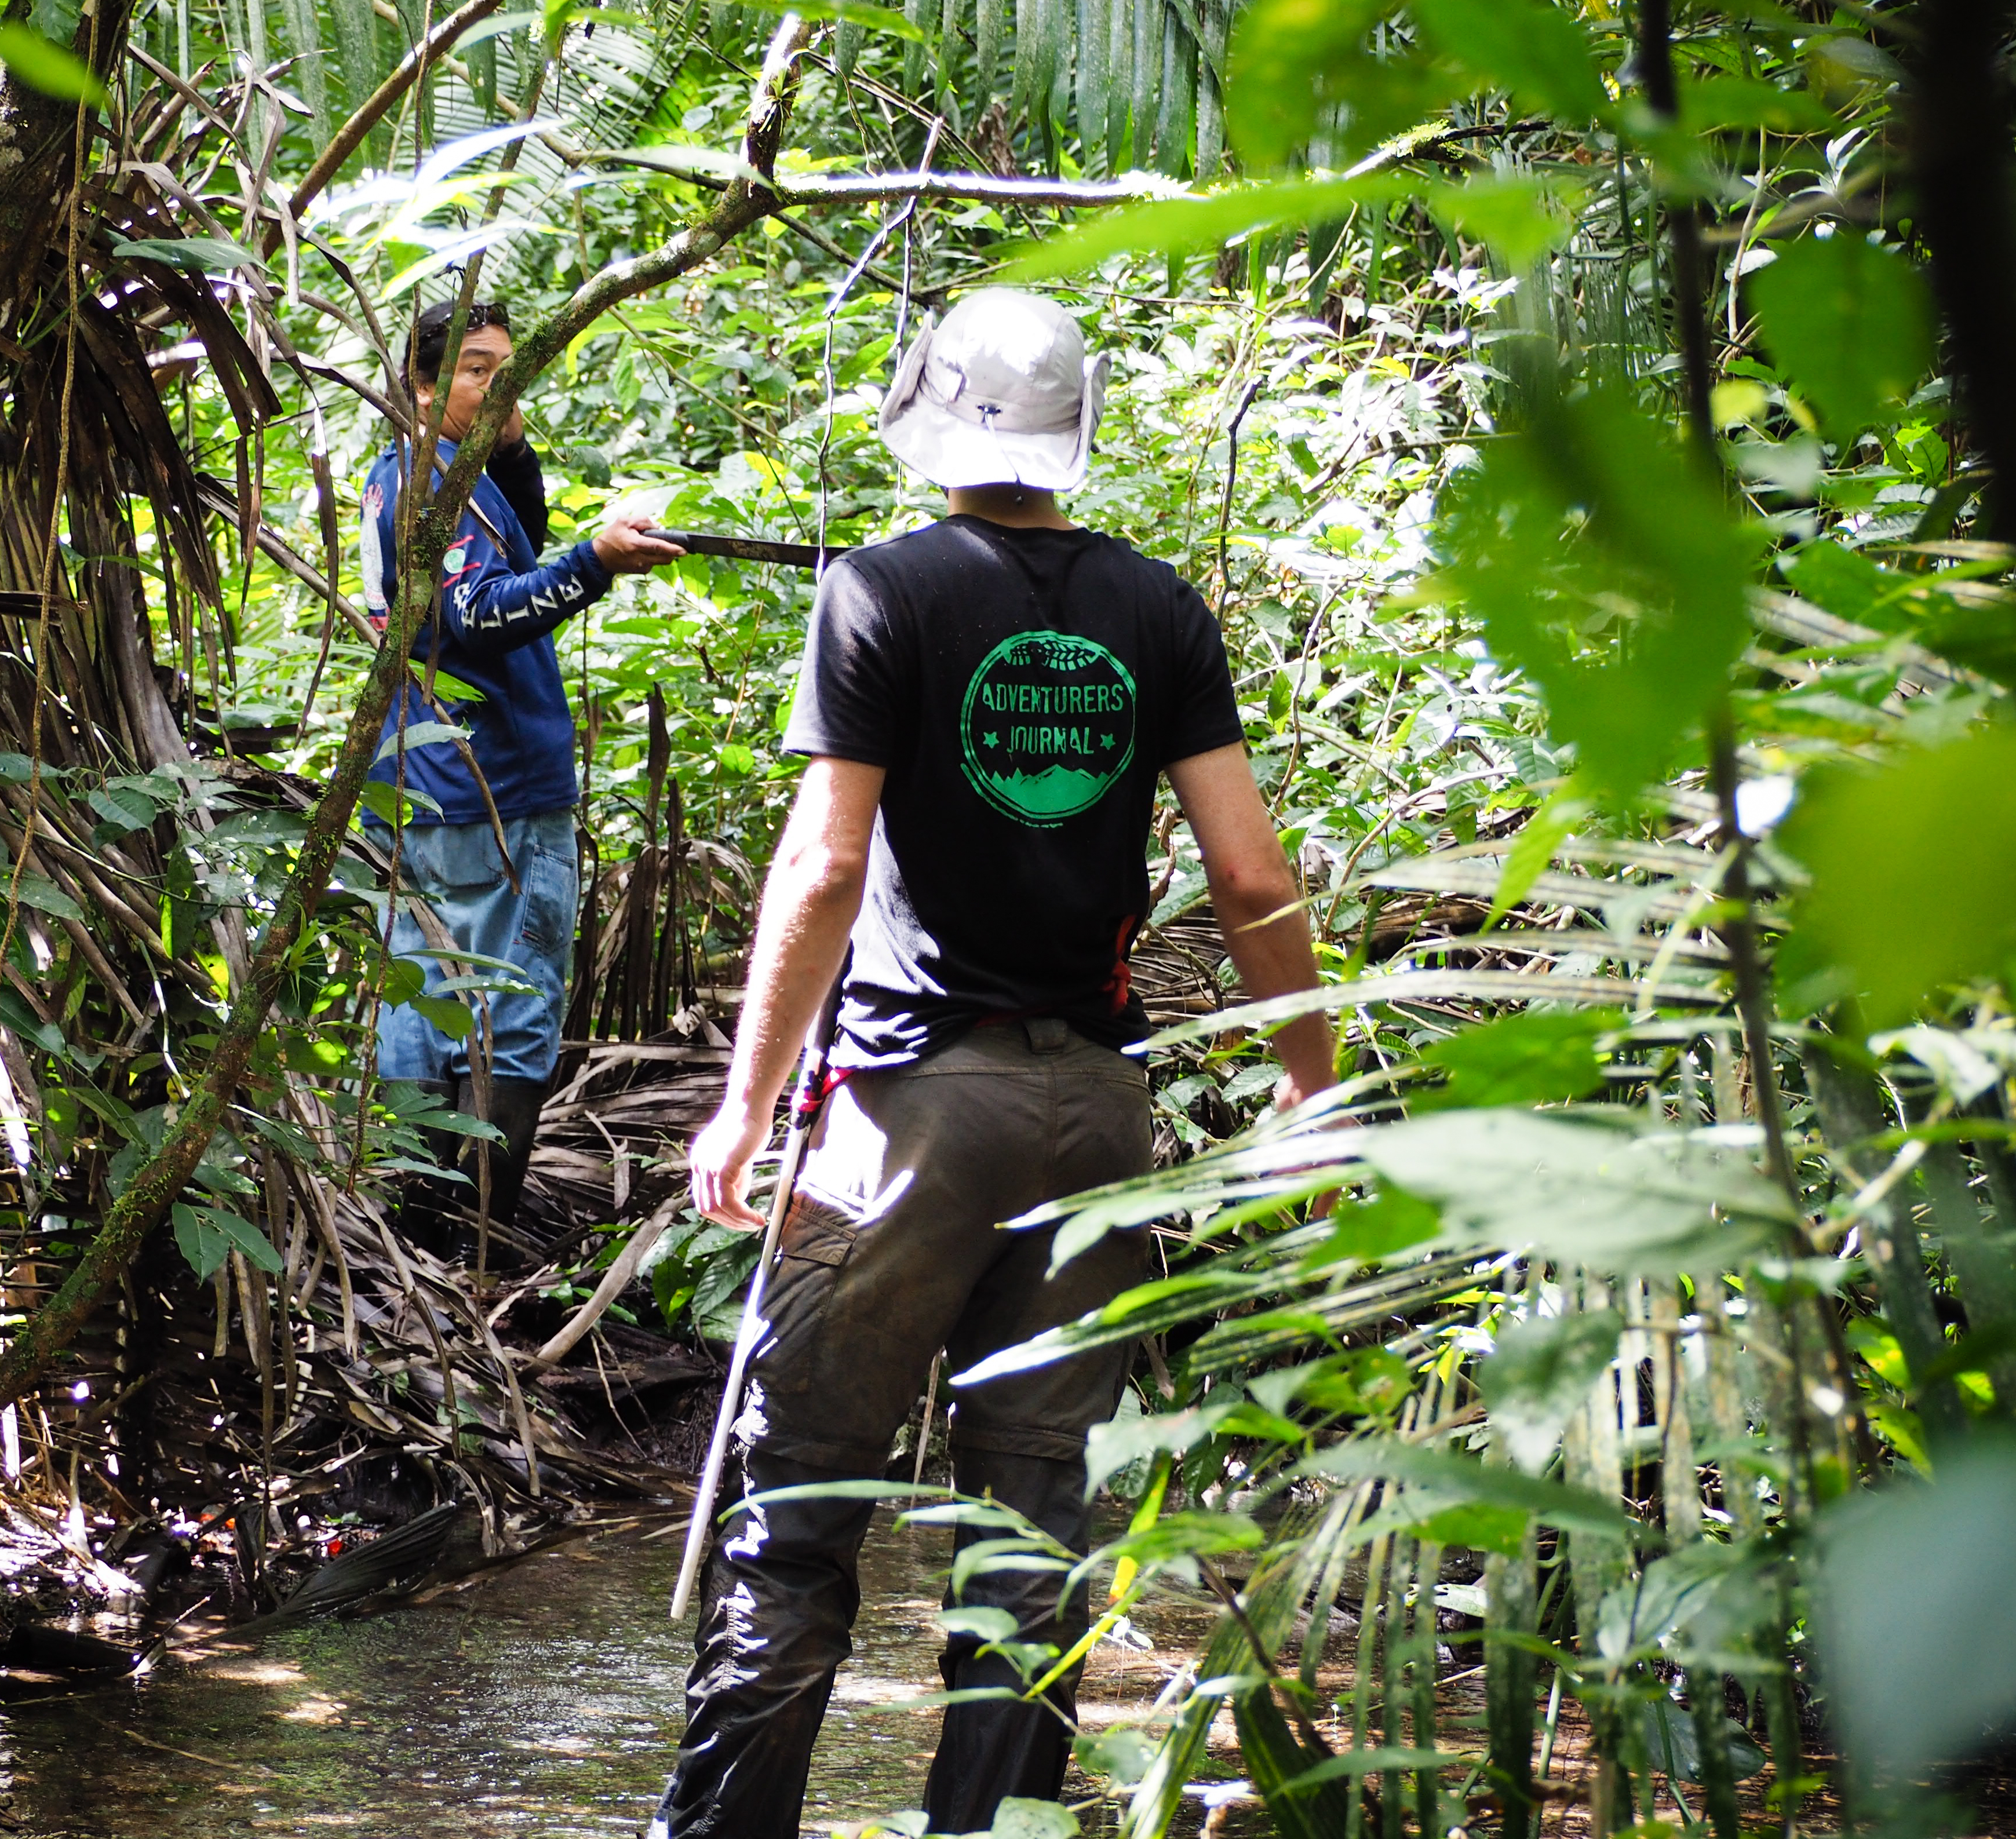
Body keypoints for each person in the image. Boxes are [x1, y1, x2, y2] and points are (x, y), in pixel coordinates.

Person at [648, 287, 1337, 1838]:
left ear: (935, 423)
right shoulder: (1158, 611)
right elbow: (1246, 875)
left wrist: (746, 1107)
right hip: (1093, 1114)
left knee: (798, 1510)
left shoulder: (880, 593)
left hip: (904, 1110)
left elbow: (824, 873)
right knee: (1032, 1532)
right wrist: (1310, 1077)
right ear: (1070, 438)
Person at [361, 297, 681, 1260]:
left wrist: (508, 438)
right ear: (422, 385)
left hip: (431, 783)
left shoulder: (431, 475)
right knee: (510, 1006)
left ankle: (416, 1252)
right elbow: (479, 615)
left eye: (510, 366)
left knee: (422, 1006)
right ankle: (472, 1252)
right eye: (475, 370)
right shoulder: (430, 481)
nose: (499, 385)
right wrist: (596, 562)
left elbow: (514, 553)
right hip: (493, 794)